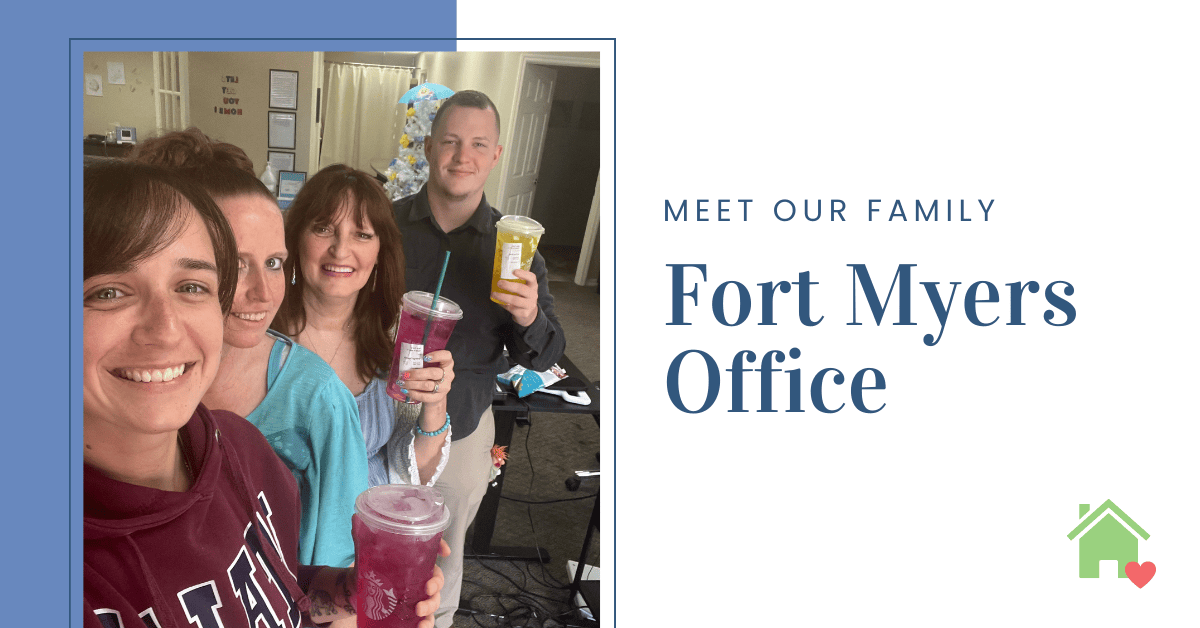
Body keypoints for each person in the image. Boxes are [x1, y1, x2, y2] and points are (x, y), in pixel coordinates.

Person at [82, 160, 446, 627]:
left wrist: (346, 592)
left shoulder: (242, 450)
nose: (166, 330)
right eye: (109, 293)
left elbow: (273, 579)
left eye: (191, 286)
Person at [132, 128, 368, 570]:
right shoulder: (130, 387)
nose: (263, 293)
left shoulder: (318, 400)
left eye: (275, 264)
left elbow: (336, 569)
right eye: (235, 265)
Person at [391, 89, 566, 626]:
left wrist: (528, 316)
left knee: (439, 566)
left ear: (496, 155)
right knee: (353, 547)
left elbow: (546, 354)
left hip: (461, 427)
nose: (461, 156)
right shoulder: (382, 225)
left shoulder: (512, 250)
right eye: (449, 141)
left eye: (477, 144)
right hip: (371, 415)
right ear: (427, 147)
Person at [273, 164, 453, 490]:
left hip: (369, 528)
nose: (341, 250)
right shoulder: (262, 332)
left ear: (380, 251)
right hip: (280, 530)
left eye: (362, 234)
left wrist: (435, 403)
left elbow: (413, 474)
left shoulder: (395, 335)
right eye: (324, 229)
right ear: (295, 239)